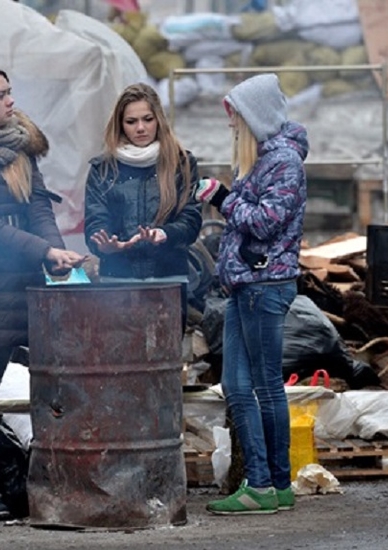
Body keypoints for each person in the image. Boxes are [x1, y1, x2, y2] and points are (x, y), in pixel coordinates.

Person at [0, 65, 86, 519]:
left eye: (11, 93)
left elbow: (39, 209)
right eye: (0, 95)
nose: (11, 102)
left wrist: (58, 256)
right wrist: (42, 250)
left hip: (20, 282)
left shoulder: (20, 148)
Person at [195, 73, 308, 514]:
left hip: (265, 286)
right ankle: (268, 483)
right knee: (237, 385)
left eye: (236, 117)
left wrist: (222, 198)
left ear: (255, 116)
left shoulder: (284, 163)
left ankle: (268, 484)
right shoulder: (263, 159)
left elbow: (264, 222)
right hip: (247, 286)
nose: (231, 126)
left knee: (262, 386)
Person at [83, 82, 201, 328]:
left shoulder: (181, 163)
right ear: (120, 125)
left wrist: (164, 233)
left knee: (166, 359)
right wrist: (106, 246)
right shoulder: (103, 168)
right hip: (117, 281)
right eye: (131, 121)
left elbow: (191, 220)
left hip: (168, 278)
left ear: (158, 119)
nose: (140, 128)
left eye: (147, 119)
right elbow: (95, 221)